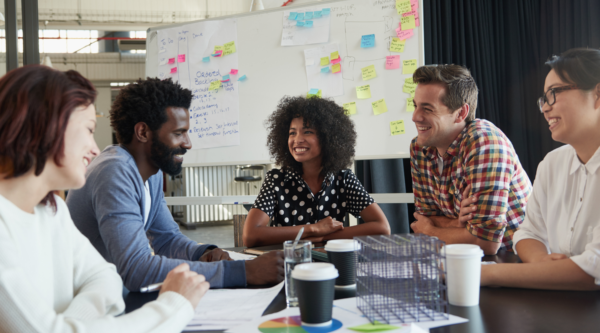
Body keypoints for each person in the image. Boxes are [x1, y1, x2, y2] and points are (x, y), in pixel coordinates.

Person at [0, 65, 209, 332]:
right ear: (45, 128)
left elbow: (106, 277)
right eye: (88, 129)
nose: (95, 148)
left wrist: (70, 324)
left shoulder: (51, 211)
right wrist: (175, 305)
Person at [67, 78, 283, 292]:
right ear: (143, 132)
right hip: (85, 303)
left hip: (108, 294)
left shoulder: (150, 173)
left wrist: (203, 253)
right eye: (178, 133)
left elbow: (167, 238)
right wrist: (244, 272)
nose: (187, 143)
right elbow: (136, 270)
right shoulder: (115, 171)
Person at [481, 48, 600, 290]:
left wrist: (482, 274)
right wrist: (542, 262)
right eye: (544, 98)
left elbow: (592, 270)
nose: (545, 108)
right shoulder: (552, 163)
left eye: (554, 93)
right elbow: (527, 233)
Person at [409, 64, 532, 255]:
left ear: (461, 113)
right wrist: (458, 223)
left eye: (427, 109)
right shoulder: (419, 147)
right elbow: (422, 219)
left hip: (514, 259)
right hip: (458, 256)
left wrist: (431, 231)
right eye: (415, 106)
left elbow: (487, 243)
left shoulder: (485, 142)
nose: (415, 116)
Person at [243, 96, 390, 247]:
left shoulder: (343, 179)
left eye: (307, 132)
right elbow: (250, 236)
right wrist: (313, 229)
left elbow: (382, 228)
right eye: (292, 133)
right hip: (288, 264)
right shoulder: (276, 179)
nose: (297, 139)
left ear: (328, 137)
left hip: (332, 265)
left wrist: (323, 237)